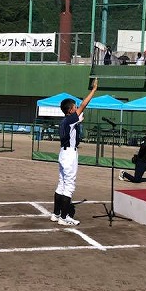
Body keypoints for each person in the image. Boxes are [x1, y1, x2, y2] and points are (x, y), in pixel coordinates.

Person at [51, 77, 99, 226]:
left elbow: (78, 116)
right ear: (70, 110)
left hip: (63, 153)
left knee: (62, 184)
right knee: (69, 186)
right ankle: (64, 217)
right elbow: (84, 104)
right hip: (70, 154)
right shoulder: (70, 119)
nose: (77, 108)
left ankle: (56, 214)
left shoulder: (65, 121)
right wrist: (94, 90)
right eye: (74, 107)